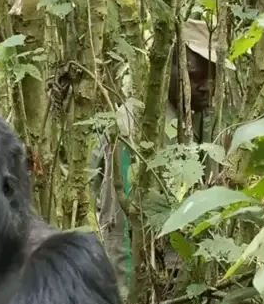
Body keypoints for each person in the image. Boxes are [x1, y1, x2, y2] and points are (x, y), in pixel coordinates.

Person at [93, 19, 234, 288]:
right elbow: (117, 225)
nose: (206, 86)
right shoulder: (130, 127)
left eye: (212, 77)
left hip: (189, 279)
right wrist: (127, 299)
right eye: (194, 75)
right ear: (168, 68)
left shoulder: (208, 120)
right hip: (147, 280)